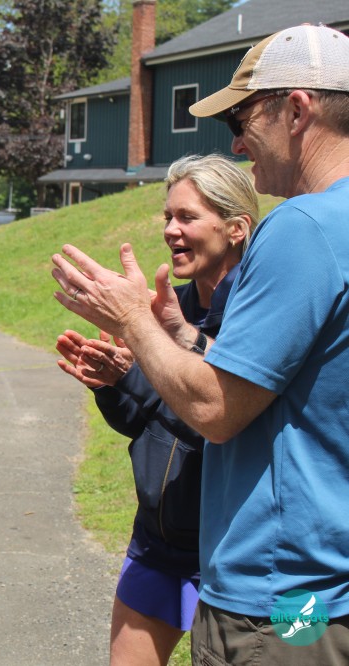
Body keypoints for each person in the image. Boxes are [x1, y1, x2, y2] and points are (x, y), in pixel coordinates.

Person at [51, 24, 349, 664]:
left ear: (297, 110)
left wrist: (132, 319)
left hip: (274, 597)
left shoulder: (301, 226)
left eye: (243, 119)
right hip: (324, 591)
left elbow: (215, 410)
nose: (237, 142)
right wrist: (178, 337)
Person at [56, 155, 258, 666]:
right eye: (168, 216)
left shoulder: (260, 314)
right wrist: (115, 382)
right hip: (158, 543)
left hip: (241, 558)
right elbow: (145, 423)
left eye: (187, 217)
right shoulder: (167, 306)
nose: (170, 230)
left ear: (236, 228)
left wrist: (161, 352)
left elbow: (221, 415)